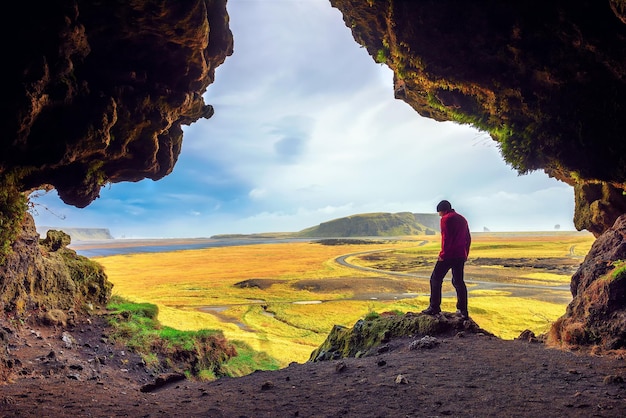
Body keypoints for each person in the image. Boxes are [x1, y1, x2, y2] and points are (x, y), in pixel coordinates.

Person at [421, 200, 471, 319]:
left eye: (439, 213)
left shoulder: (446, 219)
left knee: (435, 279)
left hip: (449, 255)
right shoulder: (463, 219)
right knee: (458, 282)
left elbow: (446, 239)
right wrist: (465, 254)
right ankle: (463, 310)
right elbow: (468, 238)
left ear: (442, 210)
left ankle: (434, 307)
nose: (439, 215)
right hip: (460, 255)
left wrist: (443, 254)